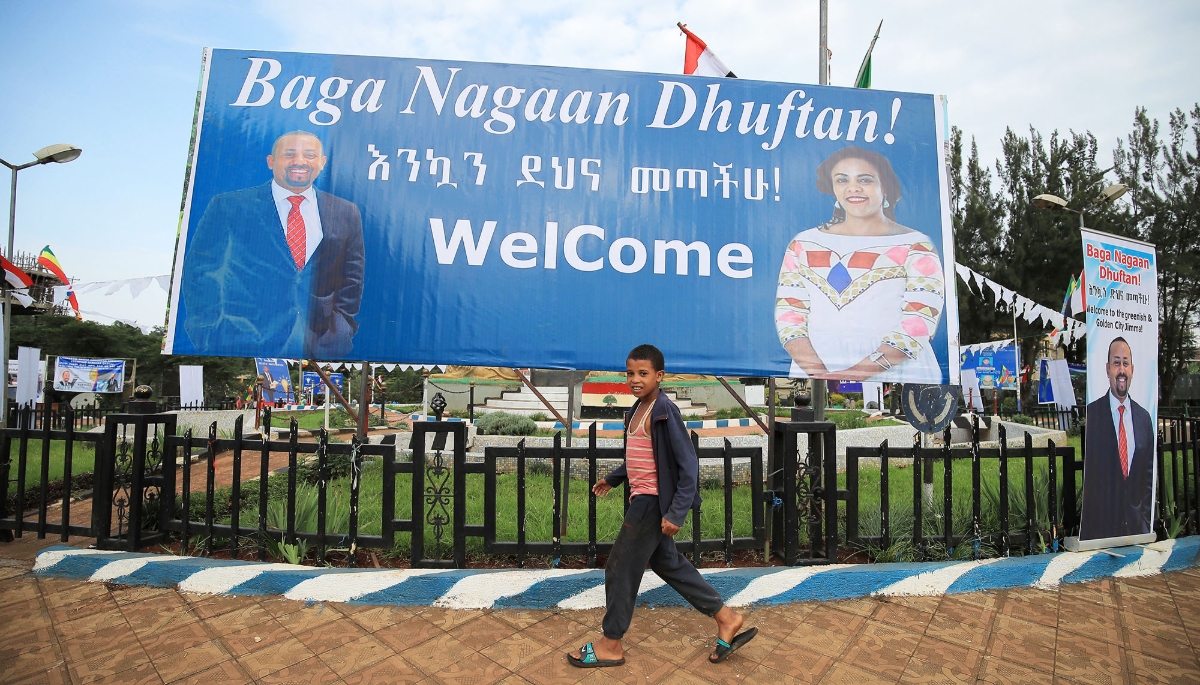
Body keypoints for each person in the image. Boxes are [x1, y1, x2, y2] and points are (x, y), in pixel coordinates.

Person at [567, 344, 756, 669]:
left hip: (651, 503)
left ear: (659, 375)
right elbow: (641, 457)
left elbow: (688, 464)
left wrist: (676, 512)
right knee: (668, 564)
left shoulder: (664, 410)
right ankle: (726, 618)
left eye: (643, 373)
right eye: (630, 373)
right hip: (643, 498)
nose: (635, 379)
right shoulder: (637, 410)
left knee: (619, 568)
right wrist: (614, 478)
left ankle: (611, 644)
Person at [182, 131, 365, 358]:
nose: (299, 161)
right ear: (271, 161)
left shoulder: (346, 211)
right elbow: (201, 270)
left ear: (322, 162)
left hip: (322, 340)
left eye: (309, 155)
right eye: (289, 154)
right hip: (241, 339)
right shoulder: (229, 206)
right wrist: (208, 330)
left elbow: (352, 277)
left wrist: (342, 328)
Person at [776, 146, 944, 382]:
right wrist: (820, 375)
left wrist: (852, 375)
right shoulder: (803, 244)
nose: (853, 188)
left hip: (898, 374)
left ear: (885, 186)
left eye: (865, 180)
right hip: (815, 373)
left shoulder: (915, 245)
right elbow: (789, 315)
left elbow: (919, 320)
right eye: (842, 180)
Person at [1081, 337, 1155, 540]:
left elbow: (1148, 478)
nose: (1121, 370)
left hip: (1136, 531)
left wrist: (1145, 522)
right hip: (1101, 534)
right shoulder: (1093, 415)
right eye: (1116, 363)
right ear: (1107, 369)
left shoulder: (1144, 418)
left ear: (1132, 369)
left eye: (1125, 363)